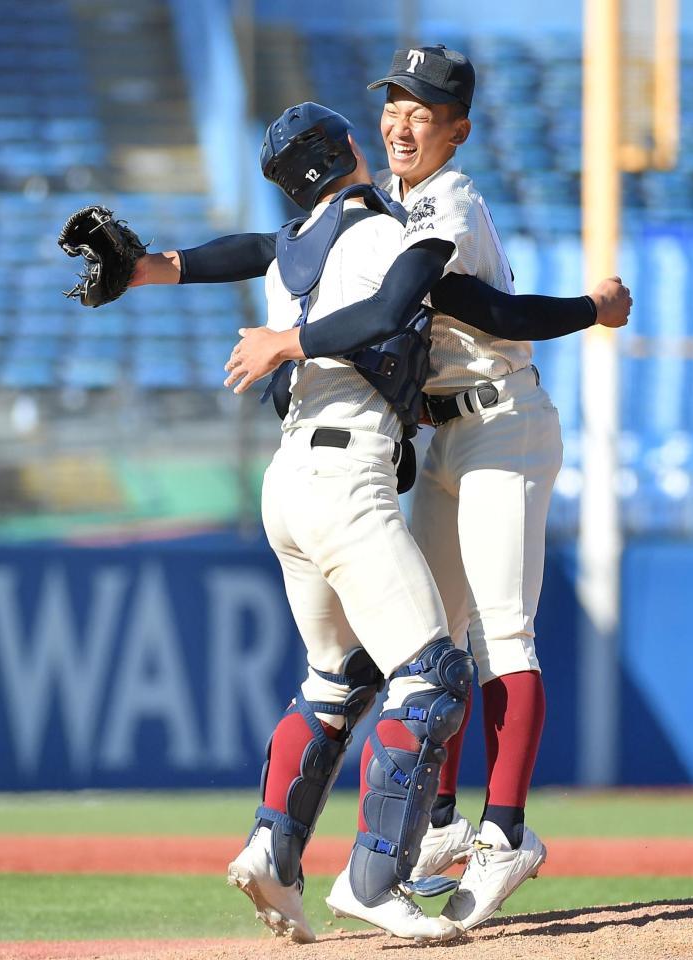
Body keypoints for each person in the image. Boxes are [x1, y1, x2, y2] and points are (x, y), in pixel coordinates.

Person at [222, 45, 631, 933]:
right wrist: (161, 265)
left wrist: (590, 311)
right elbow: (266, 245)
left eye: (424, 109)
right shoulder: (384, 205)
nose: (402, 120)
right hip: (443, 437)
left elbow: (493, 315)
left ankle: (506, 832)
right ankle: (437, 829)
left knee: (500, 635)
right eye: (395, 103)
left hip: (501, 424)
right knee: (430, 643)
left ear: (459, 129)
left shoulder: (448, 199)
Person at [223, 100, 475, 944]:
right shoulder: (384, 233)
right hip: (346, 477)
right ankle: (374, 880)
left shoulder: (287, 259)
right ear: (350, 149)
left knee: (338, 680)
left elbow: (260, 253)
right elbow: (392, 311)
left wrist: (159, 265)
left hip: (288, 482)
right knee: (432, 679)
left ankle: (271, 848)